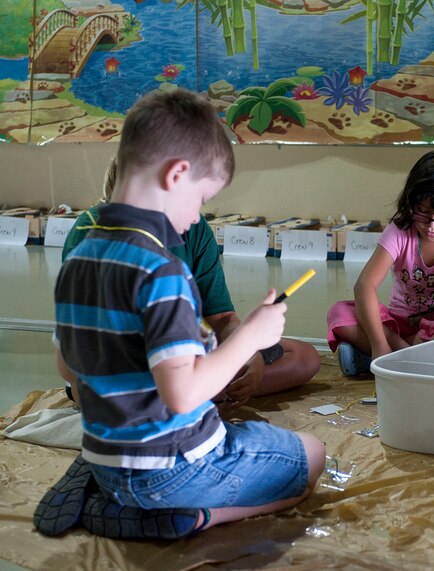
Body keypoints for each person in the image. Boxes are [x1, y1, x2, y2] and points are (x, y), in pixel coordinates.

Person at [40, 89, 326, 540]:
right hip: (172, 469)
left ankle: (115, 495)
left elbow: (67, 367)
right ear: (178, 175)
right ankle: (192, 517)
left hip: (106, 457)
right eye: (201, 199)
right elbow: (183, 395)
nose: (196, 218)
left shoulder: (82, 255)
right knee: (312, 456)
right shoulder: (161, 269)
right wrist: (249, 338)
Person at [62, 156, 320, 408]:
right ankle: (189, 394)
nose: (194, 216)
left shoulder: (193, 229)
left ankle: (189, 394)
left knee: (303, 357)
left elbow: (221, 318)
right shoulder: (94, 237)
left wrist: (250, 352)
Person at [327, 149, 434, 376]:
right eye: (423, 213)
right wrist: (379, 344)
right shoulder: (401, 230)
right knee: (340, 312)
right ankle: (401, 356)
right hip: (400, 325)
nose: (432, 226)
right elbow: (364, 285)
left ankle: (388, 360)